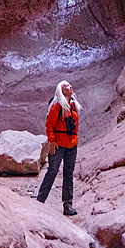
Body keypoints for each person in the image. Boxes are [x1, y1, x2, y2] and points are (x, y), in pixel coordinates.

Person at [36, 80, 81, 216]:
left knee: (68, 174)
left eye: (69, 85)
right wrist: (51, 141)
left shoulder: (73, 105)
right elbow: (50, 124)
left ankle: (68, 205)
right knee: (52, 171)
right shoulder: (56, 105)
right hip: (59, 144)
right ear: (61, 90)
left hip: (71, 144)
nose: (70, 86)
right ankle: (39, 202)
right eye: (66, 86)